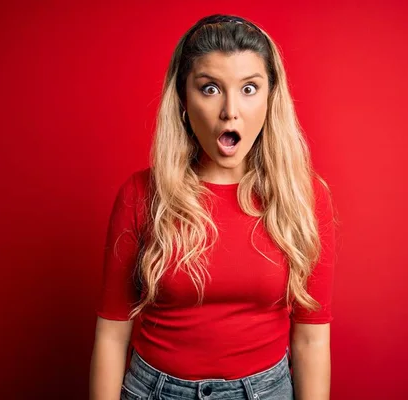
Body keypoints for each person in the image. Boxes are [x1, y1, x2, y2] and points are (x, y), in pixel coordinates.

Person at [89, 14, 336, 400]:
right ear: (184, 99)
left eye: (249, 88)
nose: (230, 111)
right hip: (154, 390)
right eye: (210, 89)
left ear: (271, 98)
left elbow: (310, 340)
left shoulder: (303, 198)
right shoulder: (141, 195)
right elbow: (111, 332)